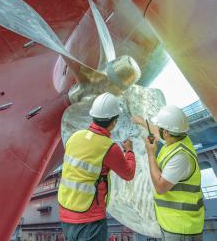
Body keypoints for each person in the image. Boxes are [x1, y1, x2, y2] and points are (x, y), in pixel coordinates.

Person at [58, 92, 136, 241]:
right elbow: (129, 174)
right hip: (90, 219)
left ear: (93, 116)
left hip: (66, 215)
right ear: (114, 122)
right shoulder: (109, 147)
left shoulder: (75, 137)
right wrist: (129, 151)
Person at [133, 105, 205, 241]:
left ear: (166, 132)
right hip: (174, 223)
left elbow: (160, 187)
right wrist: (142, 121)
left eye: (161, 129)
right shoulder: (176, 139)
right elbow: (156, 131)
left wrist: (150, 154)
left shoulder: (180, 157)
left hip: (181, 229)